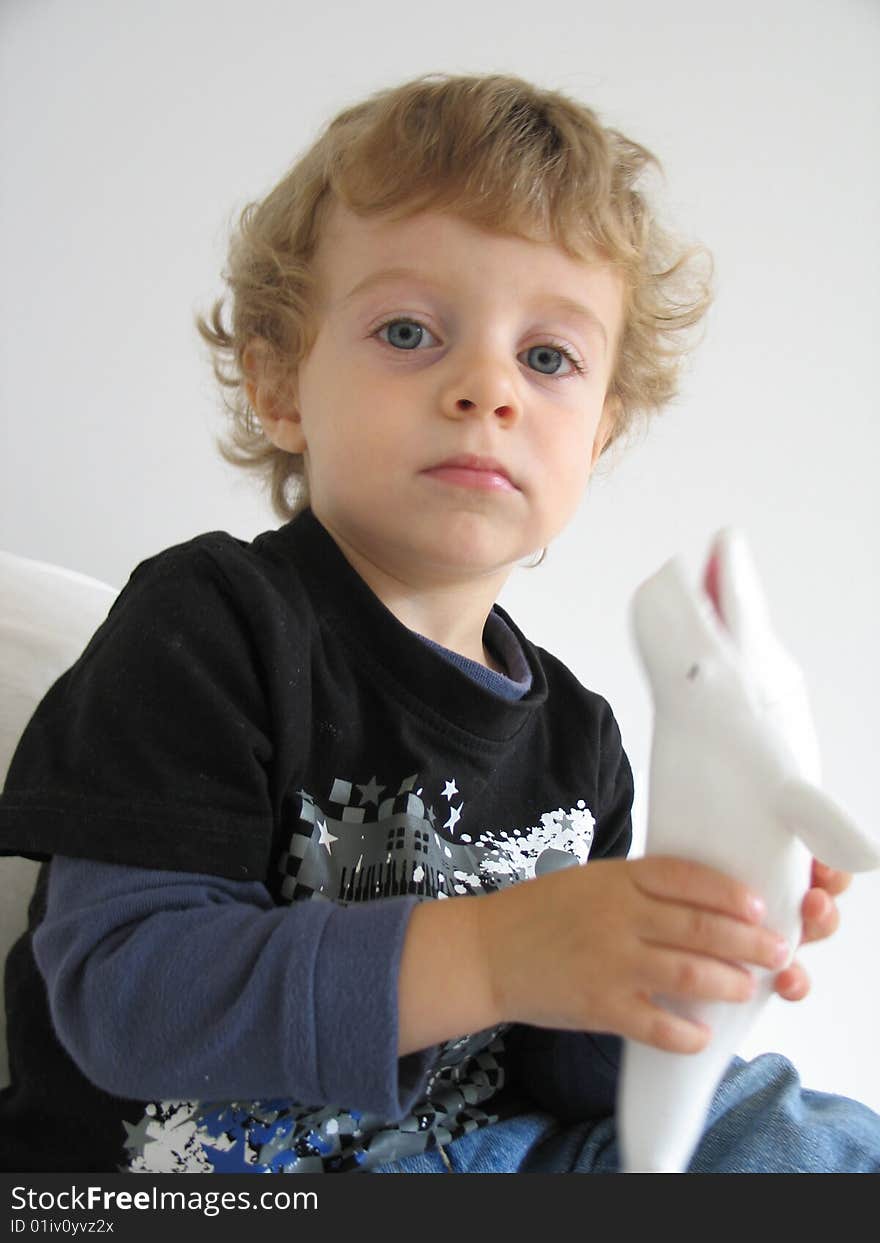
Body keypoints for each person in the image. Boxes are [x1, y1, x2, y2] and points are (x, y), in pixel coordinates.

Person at [0, 72, 877, 1175]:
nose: (485, 387)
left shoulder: (581, 738)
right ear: (278, 382)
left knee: (794, 1132)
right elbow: (123, 996)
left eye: (547, 357)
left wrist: (679, 968)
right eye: (409, 330)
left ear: (596, 434)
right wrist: (499, 949)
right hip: (196, 1184)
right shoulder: (212, 622)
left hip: (484, 1153)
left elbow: (552, 1071)